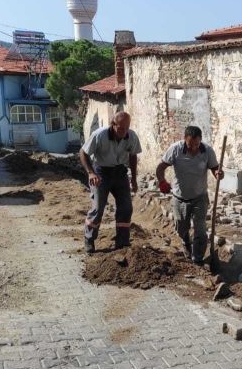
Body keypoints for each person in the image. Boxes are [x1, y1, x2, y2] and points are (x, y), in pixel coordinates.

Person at [156, 126, 223, 265]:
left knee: (200, 229)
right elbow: (161, 167)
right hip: (179, 198)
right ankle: (186, 242)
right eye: (190, 144)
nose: (193, 148)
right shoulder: (175, 149)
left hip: (200, 197)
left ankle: (198, 258)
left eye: (196, 144)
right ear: (184, 139)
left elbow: (214, 168)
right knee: (181, 228)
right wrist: (162, 181)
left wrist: (217, 173)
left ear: (201, 141)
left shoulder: (207, 151)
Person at [79, 112, 142, 254]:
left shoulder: (131, 136)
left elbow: (133, 156)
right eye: (121, 128)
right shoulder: (99, 135)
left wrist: (134, 178)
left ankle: (122, 243)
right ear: (113, 125)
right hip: (101, 173)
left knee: (126, 208)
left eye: (127, 128)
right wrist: (90, 173)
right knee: (98, 208)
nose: (124, 132)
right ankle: (89, 239)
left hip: (120, 173)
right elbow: (83, 153)